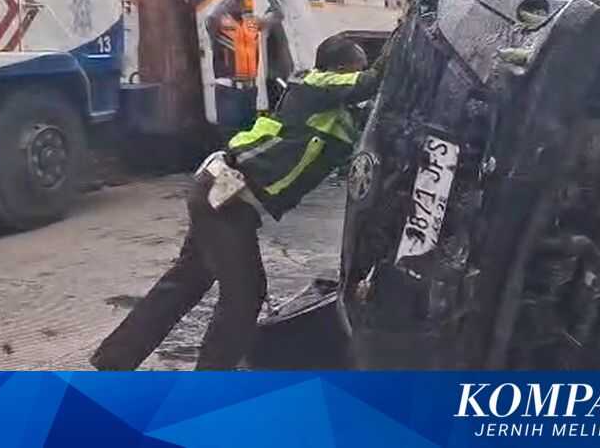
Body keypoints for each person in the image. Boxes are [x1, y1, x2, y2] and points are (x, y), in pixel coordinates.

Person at [90, 34, 387, 370]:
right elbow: (372, 81)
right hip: (225, 194)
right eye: (355, 65)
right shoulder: (313, 84)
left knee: (185, 283)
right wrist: (400, 41)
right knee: (244, 296)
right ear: (339, 68)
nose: (359, 71)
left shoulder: (337, 111)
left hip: (223, 194)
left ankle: (114, 361)